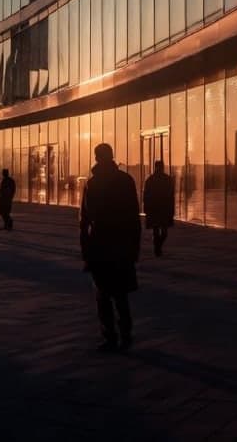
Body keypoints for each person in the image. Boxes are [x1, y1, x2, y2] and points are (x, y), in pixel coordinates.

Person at [79, 143, 140, 352]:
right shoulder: (125, 181)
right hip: (121, 246)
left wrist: (86, 252)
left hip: (100, 246)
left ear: (96, 158)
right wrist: (134, 249)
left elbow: (84, 220)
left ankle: (110, 337)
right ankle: (125, 335)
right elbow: (134, 218)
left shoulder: (92, 183)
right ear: (112, 156)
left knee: (103, 296)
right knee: (120, 295)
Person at [142, 160, 174, 257]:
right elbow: (171, 196)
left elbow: (146, 196)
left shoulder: (150, 180)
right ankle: (158, 249)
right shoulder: (166, 179)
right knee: (162, 232)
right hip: (162, 209)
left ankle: (157, 248)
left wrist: (146, 208)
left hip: (156, 209)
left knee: (158, 231)